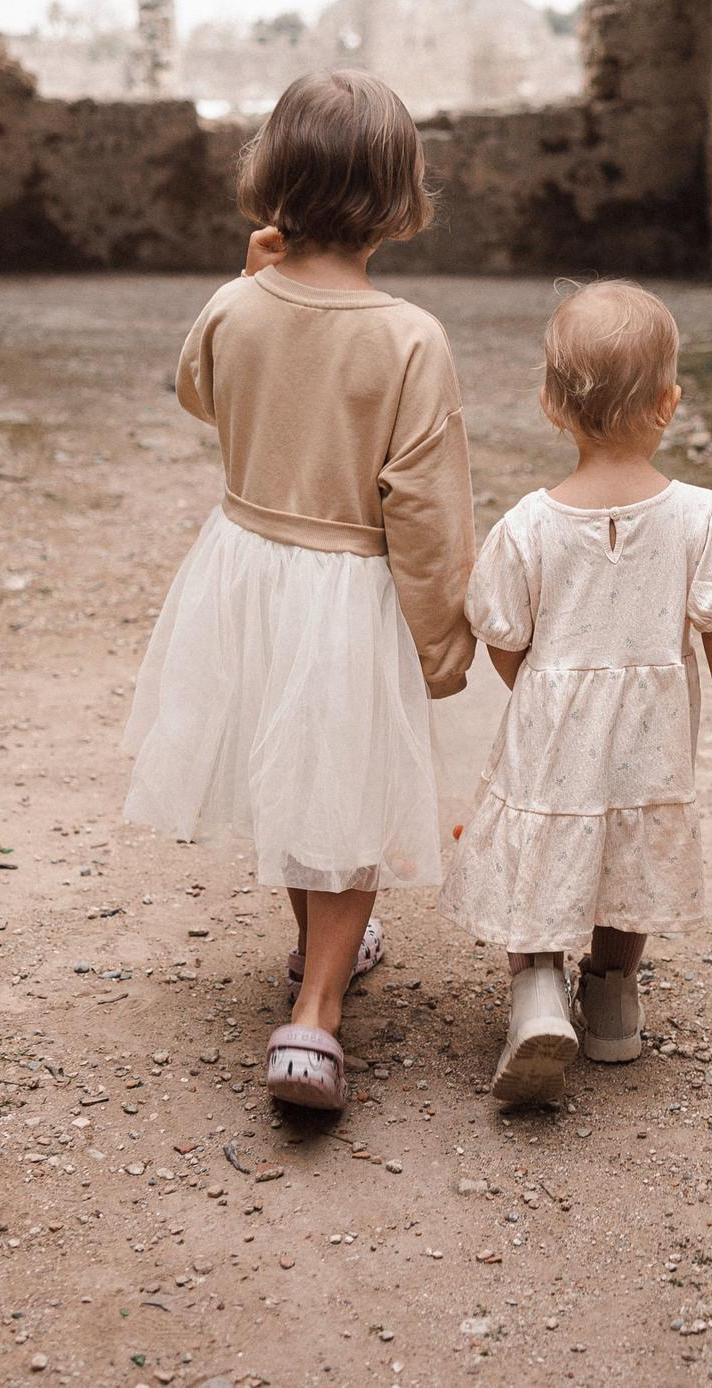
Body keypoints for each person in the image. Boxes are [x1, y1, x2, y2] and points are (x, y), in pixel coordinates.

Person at [122, 70, 473, 1111]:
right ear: (398, 194)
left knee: (293, 771)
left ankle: (319, 948)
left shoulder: (236, 305)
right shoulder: (409, 338)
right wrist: (442, 637)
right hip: (349, 585)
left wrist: (245, 277)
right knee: (349, 787)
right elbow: (422, 507)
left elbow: (198, 390)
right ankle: (314, 1014)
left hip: (246, 573)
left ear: (273, 179)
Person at [438, 280, 712, 1103]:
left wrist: (542, 690)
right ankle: (614, 1000)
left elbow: (503, 637)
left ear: (552, 405)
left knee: (544, 845)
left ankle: (538, 992)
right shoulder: (702, 516)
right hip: (651, 736)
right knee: (630, 848)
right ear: (669, 403)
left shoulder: (528, 525)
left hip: (551, 730)